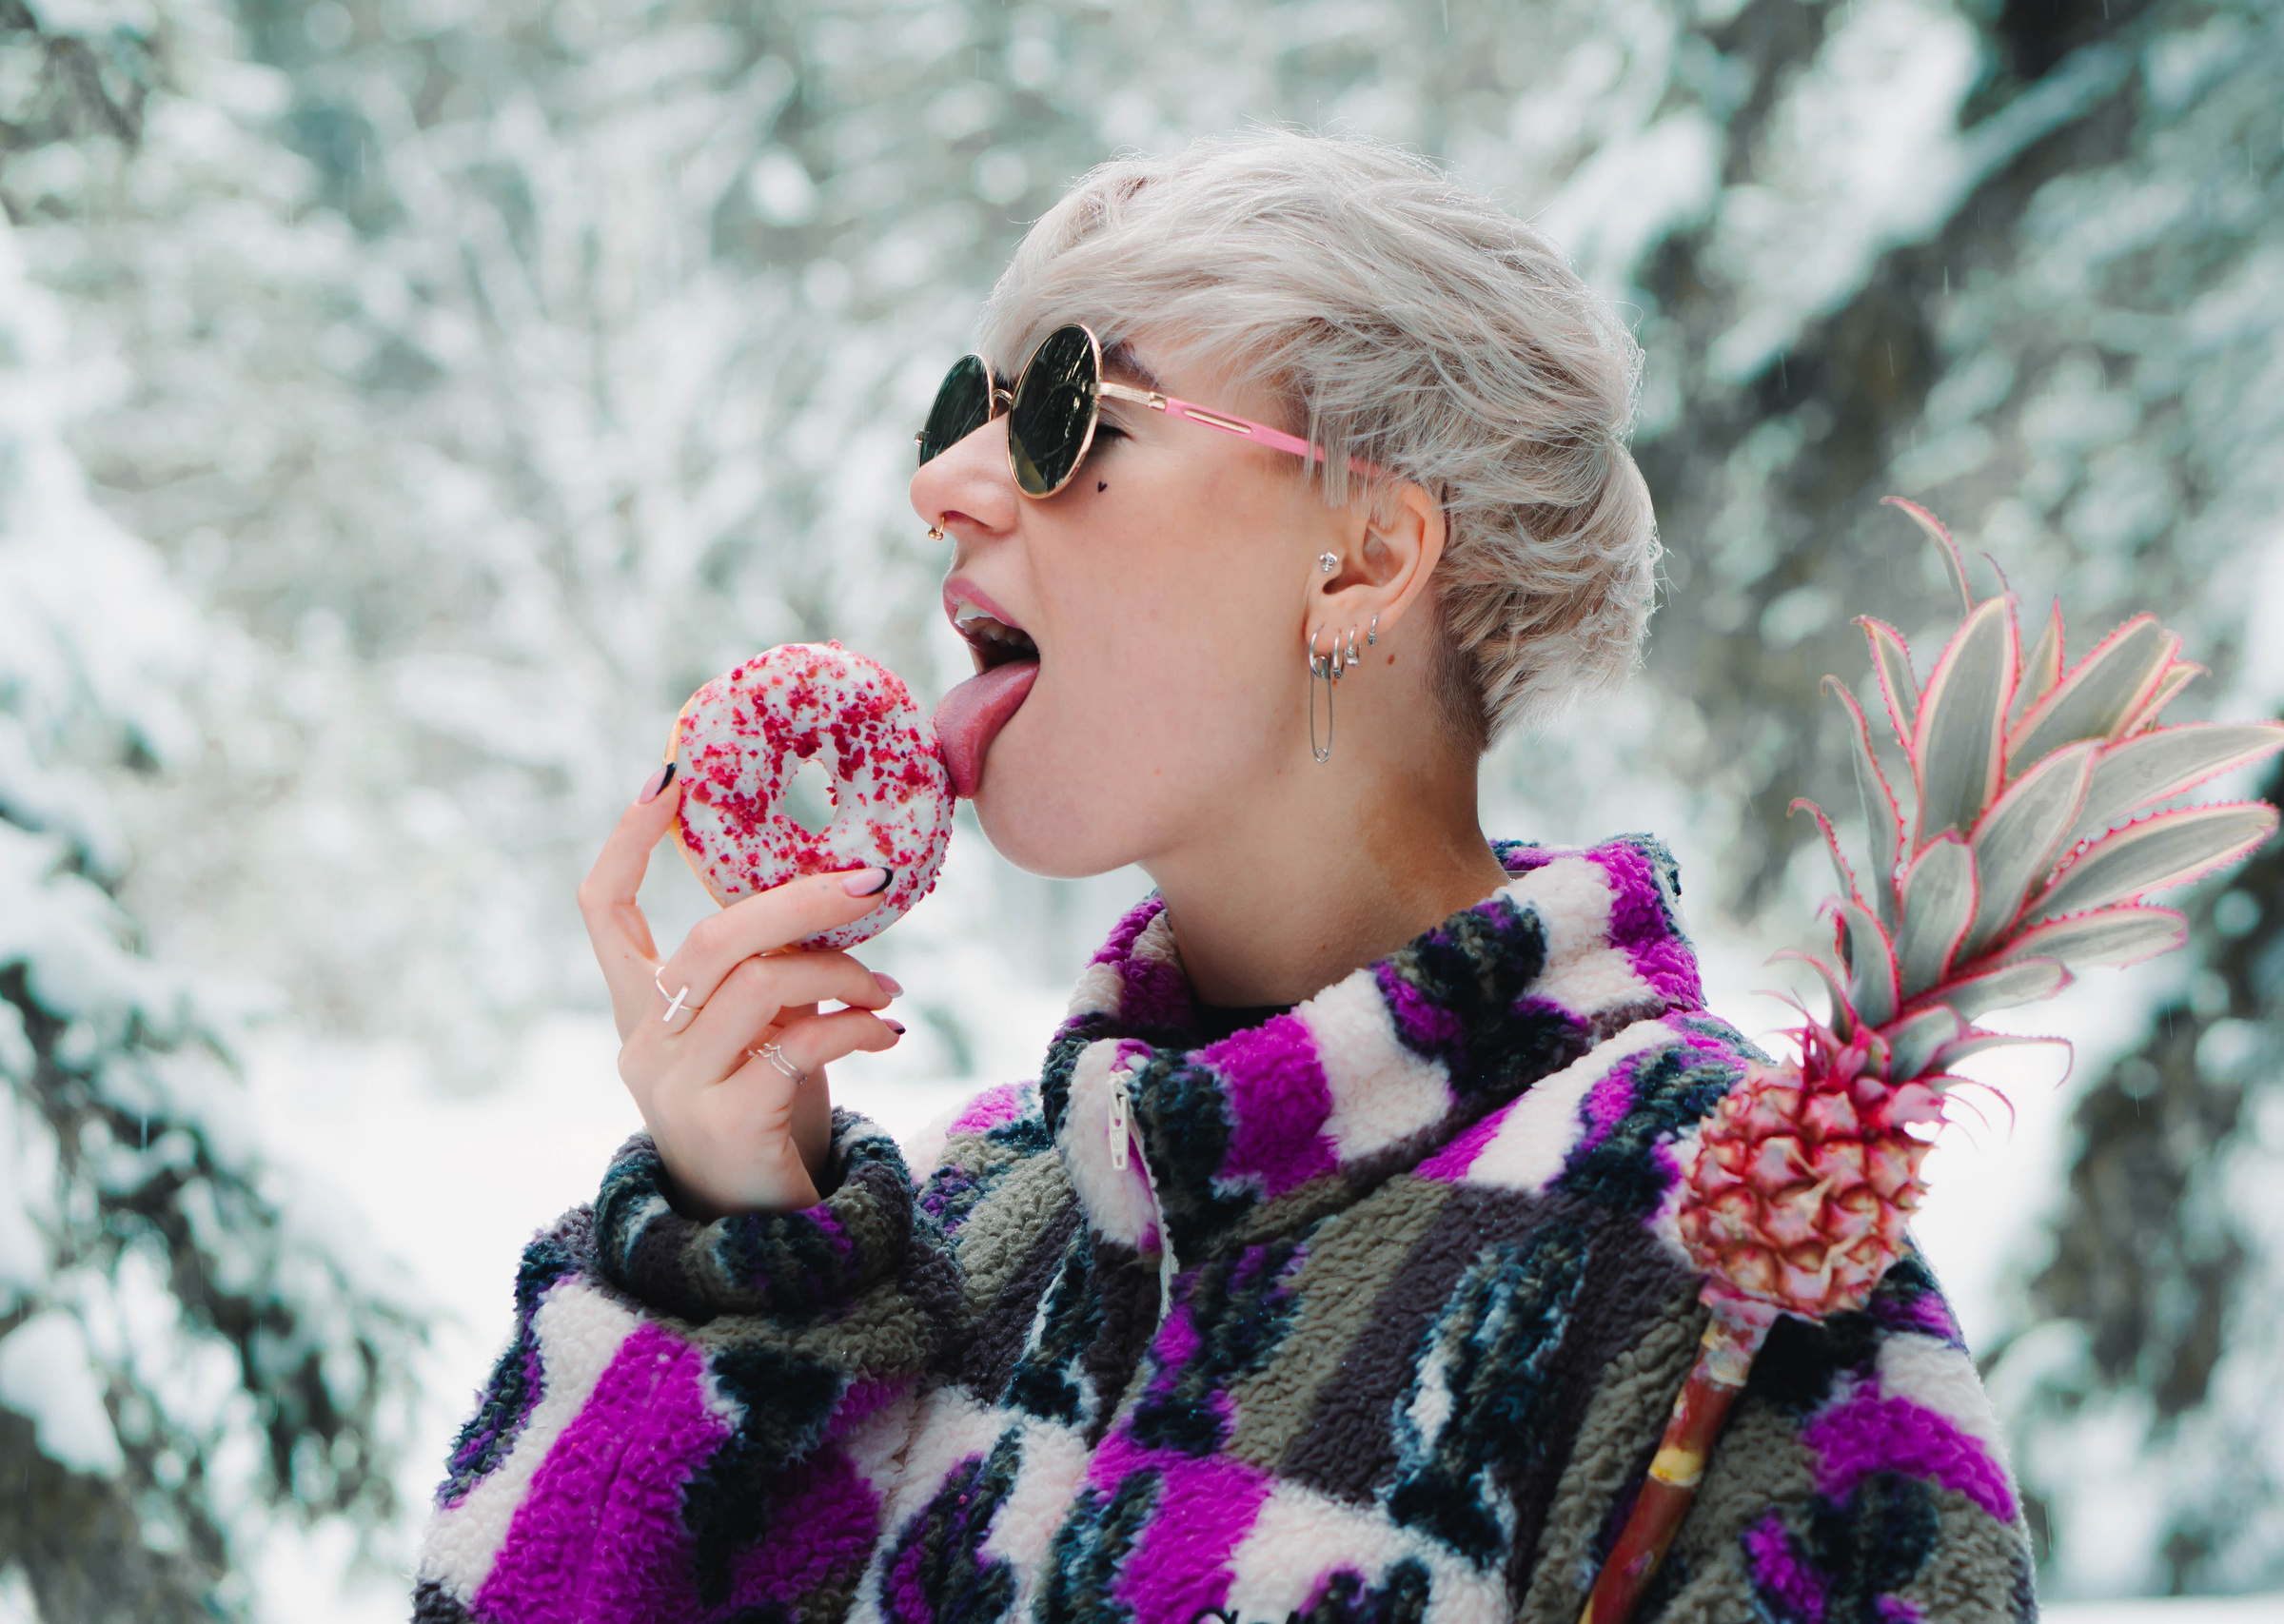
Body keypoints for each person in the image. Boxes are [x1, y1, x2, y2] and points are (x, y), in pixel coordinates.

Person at [413, 131, 2037, 1624]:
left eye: (1071, 417)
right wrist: (734, 1257)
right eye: (964, 411)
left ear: (1365, 555)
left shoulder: (1733, 1259)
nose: (944, 485)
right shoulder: (959, 1237)